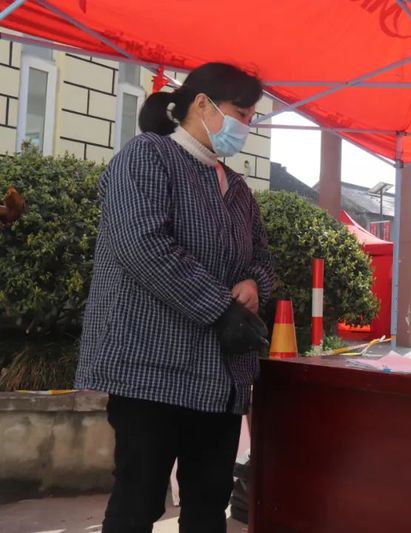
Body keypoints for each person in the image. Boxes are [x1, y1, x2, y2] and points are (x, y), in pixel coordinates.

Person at [76, 62, 275, 533]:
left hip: (220, 378)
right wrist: (220, 309)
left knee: (208, 505)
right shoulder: (146, 156)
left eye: (252, 118)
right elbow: (141, 245)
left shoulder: (238, 189)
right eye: (241, 114)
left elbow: (263, 260)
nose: (246, 127)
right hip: (151, 370)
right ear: (202, 104)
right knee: (137, 503)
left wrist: (253, 285)